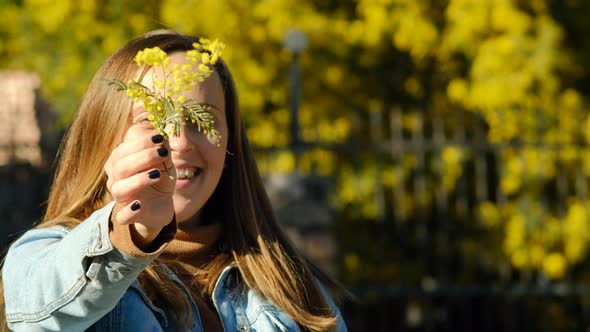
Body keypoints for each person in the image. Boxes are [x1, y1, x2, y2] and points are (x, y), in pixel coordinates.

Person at [0, 30, 347, 331]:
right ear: (104, 138)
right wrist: (130, 233)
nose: (178, 142)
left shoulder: (291, 287)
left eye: (201, 121)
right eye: (151, 120)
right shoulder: (45, 255)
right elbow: (34, 314)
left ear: (230, 146)